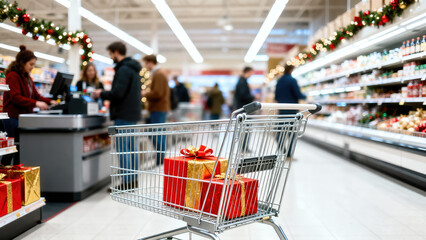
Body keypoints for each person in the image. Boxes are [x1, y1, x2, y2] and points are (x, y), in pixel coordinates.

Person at [92, 42, 142, 188]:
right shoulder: (133, 69)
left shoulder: (123, 70)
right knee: (131, 148)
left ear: (115, 52)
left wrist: (101, 93)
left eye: (110, 54)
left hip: (123, 114)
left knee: (123, 149)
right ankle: (132, 180)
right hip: (132, 114)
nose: (111, 57)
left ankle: (126, 183)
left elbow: (117, 94)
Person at [2, 45, 57, 165]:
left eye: (33, 65)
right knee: (11, 150)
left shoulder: (27, 77)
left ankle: (17, 174)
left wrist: (50, 101)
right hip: (12, 118)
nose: (32, 67)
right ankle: (4, 176)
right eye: (30, 64)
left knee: (21, 149)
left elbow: (36, 95)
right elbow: (15, 98)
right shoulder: (12, 76)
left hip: (22, 118)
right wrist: (36, 103)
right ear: (22, 63)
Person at [142, 54, 170, 165]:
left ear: (150, 62)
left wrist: (145, 93)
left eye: (145, 63)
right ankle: (160, 158)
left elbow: (158, 93)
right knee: (158, 133)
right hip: (159, 108)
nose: (145, 66)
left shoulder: (158, 74)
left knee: (157, 134)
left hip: (158, 108)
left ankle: (160, 159)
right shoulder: (159, 73)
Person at [275, 64, 306, 157]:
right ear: (291, 70)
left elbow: (276, 96)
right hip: (292, 109)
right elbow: (298, 94)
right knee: (291, 132)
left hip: (282, 108)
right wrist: (305, 96)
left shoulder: (279, 81)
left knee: (280, 130)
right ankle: (288, 154)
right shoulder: (292, 80)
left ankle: (282, 149)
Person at [233, 66, 255, 153]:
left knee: (245, 129)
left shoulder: (242, 81)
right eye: (251, 73)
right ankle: (244, 147)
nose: (252, 75)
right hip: (244, 109)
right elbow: (243, 95)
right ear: (248, 72)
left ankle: (244, 147)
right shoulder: (242, 82)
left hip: (242, 108)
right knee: (246, 128)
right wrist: (253, 97)